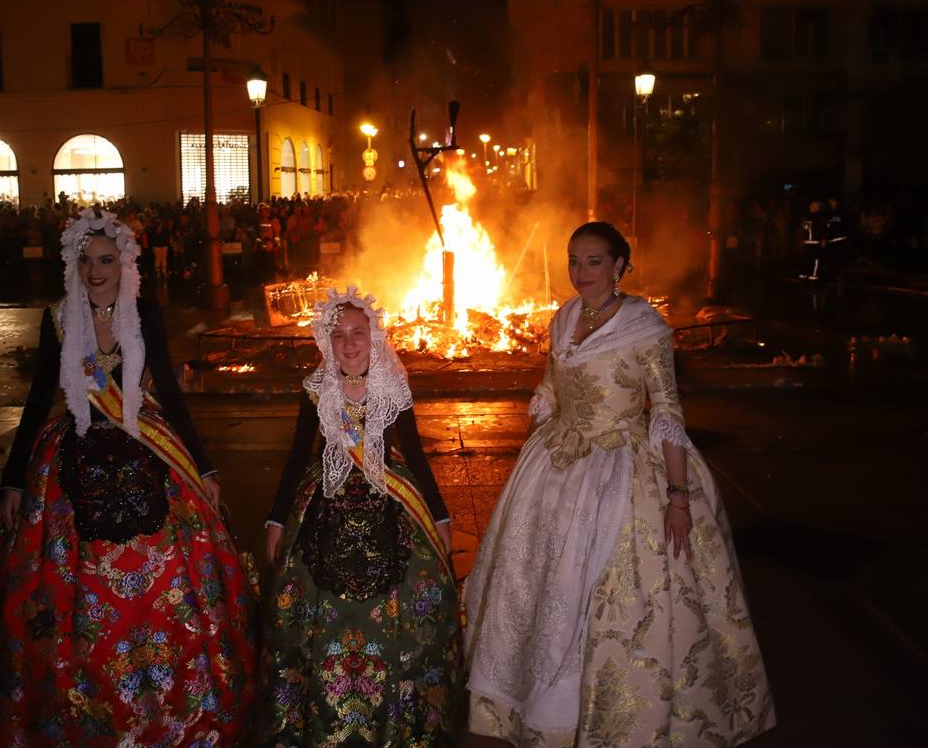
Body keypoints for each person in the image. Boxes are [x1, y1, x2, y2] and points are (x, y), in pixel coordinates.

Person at [464, 221, 774, 746]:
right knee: (537, 584)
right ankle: (537, 707)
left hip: (623, 466)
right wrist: (542, 429)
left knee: (610, 592)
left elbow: (667, 410)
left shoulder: (645, 326)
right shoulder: (562, 317)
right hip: (558, 463)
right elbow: (550, 384)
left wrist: (678, 496)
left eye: (593, 261)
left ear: (619, 267)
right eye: (573, 260)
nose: (580, 272)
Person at [0, 208, 256, 745]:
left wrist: (203, 465)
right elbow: (37, 401)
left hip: (144, 447)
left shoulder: (143, 312)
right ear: (73, 265)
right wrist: (12, 481)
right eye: (86, 261)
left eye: (106, 260)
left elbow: (171, 395)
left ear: (125, 263)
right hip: (73, 456)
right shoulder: (58, 319)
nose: (95, 270)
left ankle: (168, 705)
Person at [259, 286, 462, 746]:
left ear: (375, 338)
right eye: (339, 335)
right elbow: (295, 459)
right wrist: (275, 521)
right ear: (325, 342)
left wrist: (441, 518)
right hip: (325, 511)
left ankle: (393, 715)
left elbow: (415, 454)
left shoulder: (393, 388)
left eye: (358, 333)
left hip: (389, 506)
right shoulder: (315, 390)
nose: (350, 343)